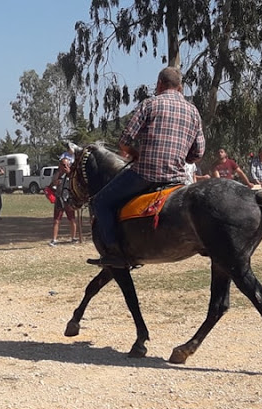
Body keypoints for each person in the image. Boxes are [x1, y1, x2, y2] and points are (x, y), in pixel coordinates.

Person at [88, 67, 205, 268]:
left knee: (100, 202)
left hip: (146, 174)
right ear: (180, 87)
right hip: (176, 179)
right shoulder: (193, 111)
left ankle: (115, 252)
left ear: (159, 84)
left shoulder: (150, 104)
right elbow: (198, 153)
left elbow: (124, 141)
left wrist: (135, 154)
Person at [49, 156, 78, 246]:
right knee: (56, 220)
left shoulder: (72, 174)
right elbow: (53, 182)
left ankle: (73, 238)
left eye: (66, 164)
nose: (65, 166)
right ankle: (54, 239)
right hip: (59, 198)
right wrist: (59, 174)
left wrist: (68, 172)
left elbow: (75, 182)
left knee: (72, 219)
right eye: (63, 164)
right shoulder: (57, 174)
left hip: (69, 199)